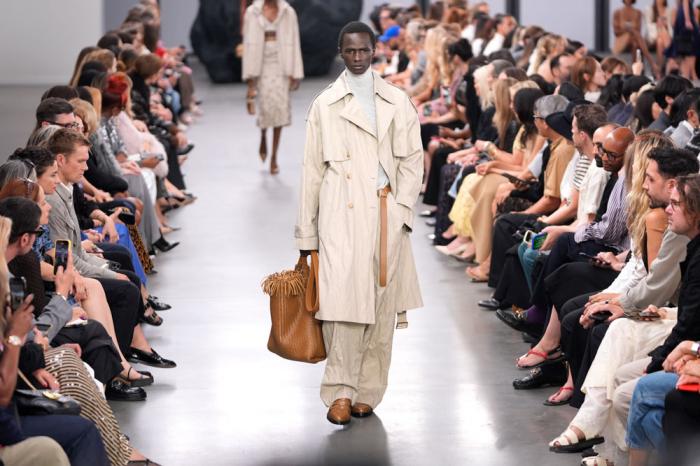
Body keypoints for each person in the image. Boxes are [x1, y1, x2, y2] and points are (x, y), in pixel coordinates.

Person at [295, 21, 423, 425]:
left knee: (381, 306)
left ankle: (368, 391)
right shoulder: (325, 104)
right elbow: (311, 171)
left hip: (387, 213)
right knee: (341, 306)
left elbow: (412, 160)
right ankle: (339, 392)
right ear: (340, 51)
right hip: (340, 211)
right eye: (349, 51)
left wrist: (403, 210)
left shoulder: (397, 101)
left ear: (374, 51)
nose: (357, 57)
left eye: (363, 50)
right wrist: (307, 234)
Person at [243, 0, 304, 175]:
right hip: (260, 65)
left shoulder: (288, 12)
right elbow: (248, 44)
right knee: (265, 107)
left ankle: (274, 157)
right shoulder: (252, 12)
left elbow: (295, 40)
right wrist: (249, 78)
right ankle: (263, 135)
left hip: (282, 65)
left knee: (280, 109)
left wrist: (295, 71)